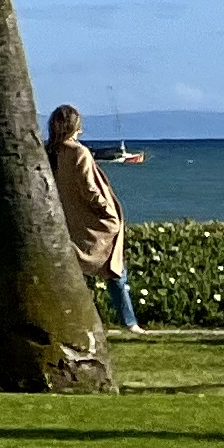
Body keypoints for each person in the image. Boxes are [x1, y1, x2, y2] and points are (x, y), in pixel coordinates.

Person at [49, 102, 140, 333]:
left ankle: (75, 319)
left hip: (69, 219)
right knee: (115, 268)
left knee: (74, 270)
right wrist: (106, 209)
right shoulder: (79, 152)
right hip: (92, 220)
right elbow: (89, 187)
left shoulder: (53, 152)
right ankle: (129, 322)